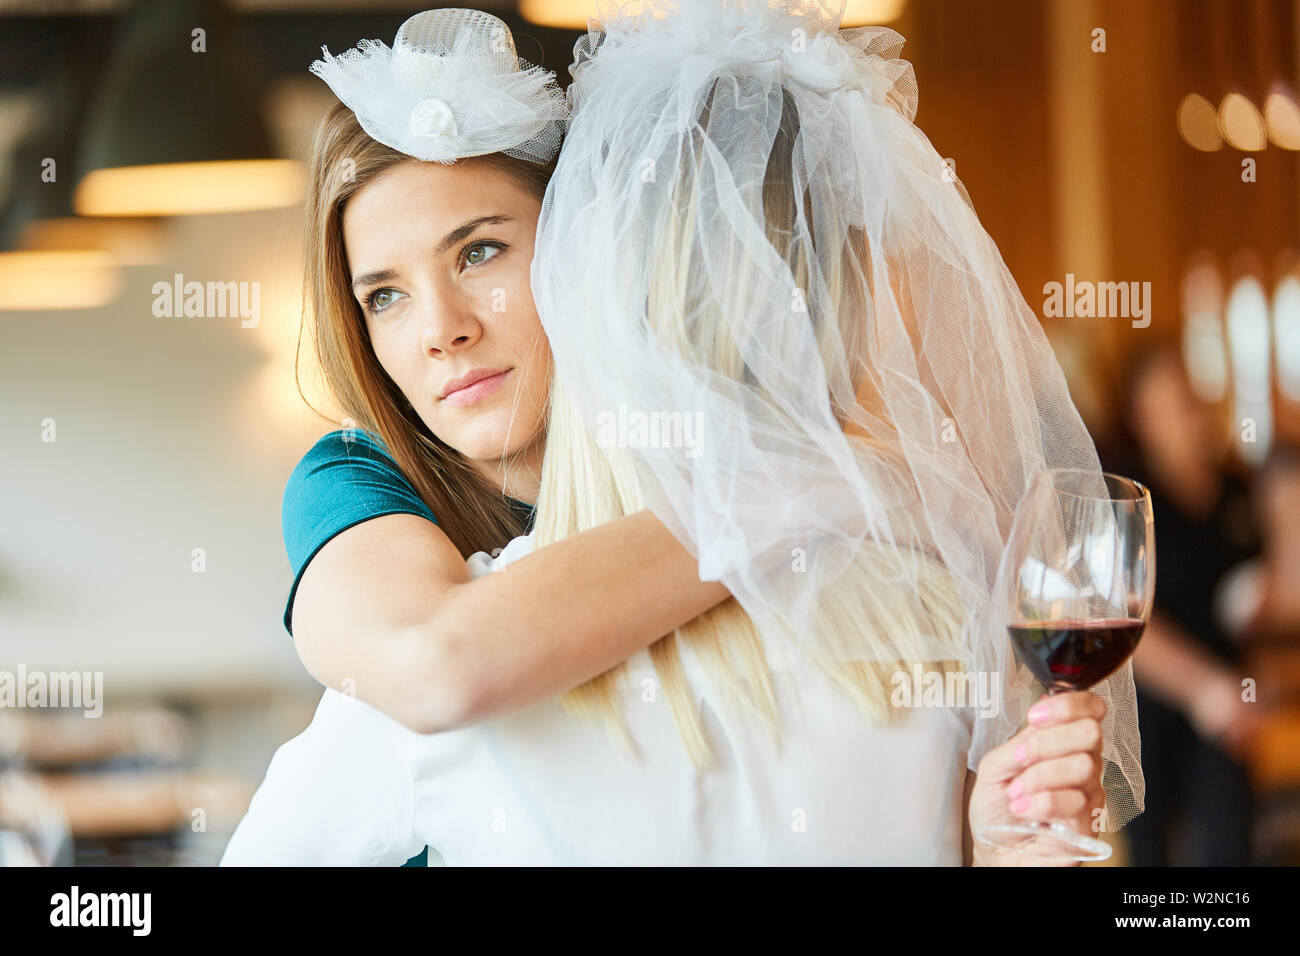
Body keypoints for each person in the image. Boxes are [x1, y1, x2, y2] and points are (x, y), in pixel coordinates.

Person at [224, 1, 1123, 866]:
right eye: (383, 294)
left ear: (585, 252)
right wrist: (823, 482)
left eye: (481, 251)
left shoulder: (910, 610)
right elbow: (436, 666)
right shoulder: (915, 600)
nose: (440, 328)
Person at [1105, 346, 1265, 864]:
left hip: (1227, 702)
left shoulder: (1234, 490)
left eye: (1192, 394)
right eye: (1173, 398)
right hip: (1151, 698)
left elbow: (1255, 594)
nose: (1191, 409)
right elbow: (1117, 616)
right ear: (1141, 416)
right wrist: (1204, 689)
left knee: (1227, 839)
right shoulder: (1126, 494)